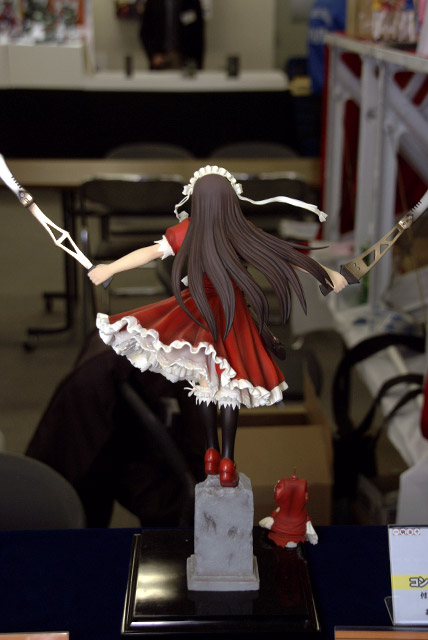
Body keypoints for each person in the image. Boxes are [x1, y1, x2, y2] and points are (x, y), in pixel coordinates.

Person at [89, 166, 347, 488]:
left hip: (197, 310)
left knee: (205, 382)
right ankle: (227, 459)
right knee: (229, 385)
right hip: (232, 315)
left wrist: (109, 268)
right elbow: (288, 256)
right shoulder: (243, 232)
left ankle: (210, 451)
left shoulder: (188, 230)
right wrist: (328, 274)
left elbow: (149, 254)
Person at [140, 0, 205, 70]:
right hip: (160, 59)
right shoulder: (153, 2)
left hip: (185, 59)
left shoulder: (192, 2)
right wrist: (153, 54)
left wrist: (197, 62)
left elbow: (198, 34)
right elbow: (145, 32)